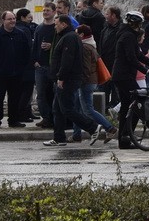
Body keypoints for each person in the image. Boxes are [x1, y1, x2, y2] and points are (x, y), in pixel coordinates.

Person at [44, 14, 108, 147]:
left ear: (64, 24)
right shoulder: (68, 37)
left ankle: (92, 127)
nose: (55, 27)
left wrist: (61, 77)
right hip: (66, 79)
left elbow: (67, 60)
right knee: (57, 109)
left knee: (67, 109)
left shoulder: (70, 38)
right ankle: (59, 138)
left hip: (68, 79)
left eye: (56, 24)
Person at [111, 11, 149, 149]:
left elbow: (139, 56)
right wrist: (146, 70)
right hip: (124, 76)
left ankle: (123, 140)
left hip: (121, 75)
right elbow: (132, 58)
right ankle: (126, 136)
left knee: (125, 106)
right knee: (137, 105)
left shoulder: (127, 34)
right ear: (138, 24)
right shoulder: (128, 36)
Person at [71, 25, 118, 144]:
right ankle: (76, 134)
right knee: (78, 109)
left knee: (88, 110)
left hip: (87, 82)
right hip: (89, 81)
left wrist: (79, 80)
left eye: (76, 33)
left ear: (81, 35)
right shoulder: (91, 45)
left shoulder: (85, 47)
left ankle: (109, 128)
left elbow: (85, 67)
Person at [0, 11, 31, 129]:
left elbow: (26, 52)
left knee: (15, 97)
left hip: (17, 73)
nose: (12, 21)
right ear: (3, 21)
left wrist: (22, 67)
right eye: (9, 19)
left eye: (14, 18)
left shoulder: (20, 35)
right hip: (1, 73)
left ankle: (14, 120)